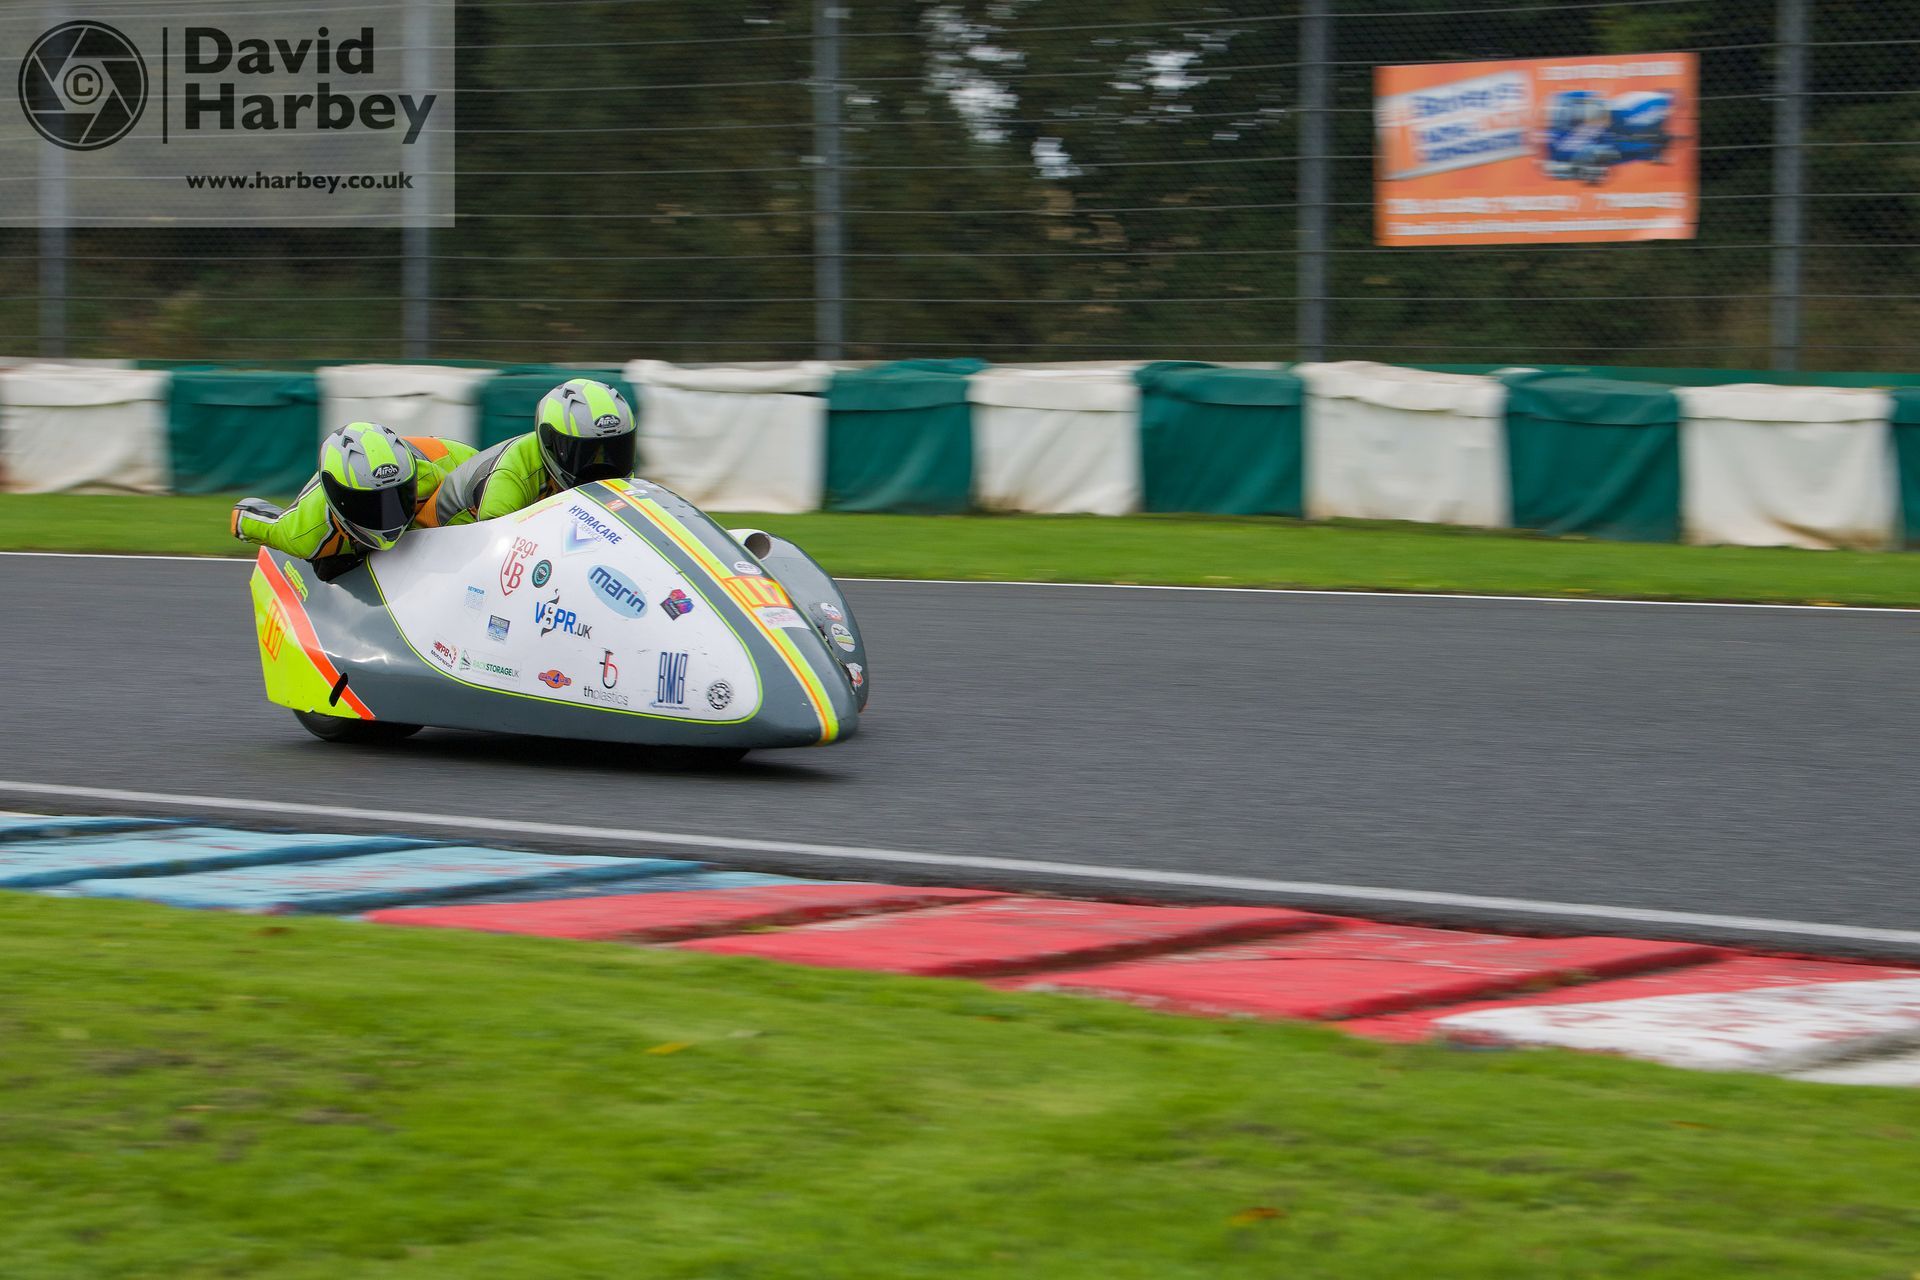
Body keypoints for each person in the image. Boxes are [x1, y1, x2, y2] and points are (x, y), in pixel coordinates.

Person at [231, 422, 476, 563]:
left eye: (397, 498)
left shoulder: (430, 478)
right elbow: (251, 516)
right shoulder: (304, 531)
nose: (386, 517)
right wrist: (241, 521)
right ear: (338, 499)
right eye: (370, 505)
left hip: (455, 463)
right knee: (326, 565)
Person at [433, 377, 637, 524]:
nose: (602, 468)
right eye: (584, 455)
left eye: (617, 451)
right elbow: (494, 551)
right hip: (443, 539)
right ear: (549, 444)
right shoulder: (510, 475)